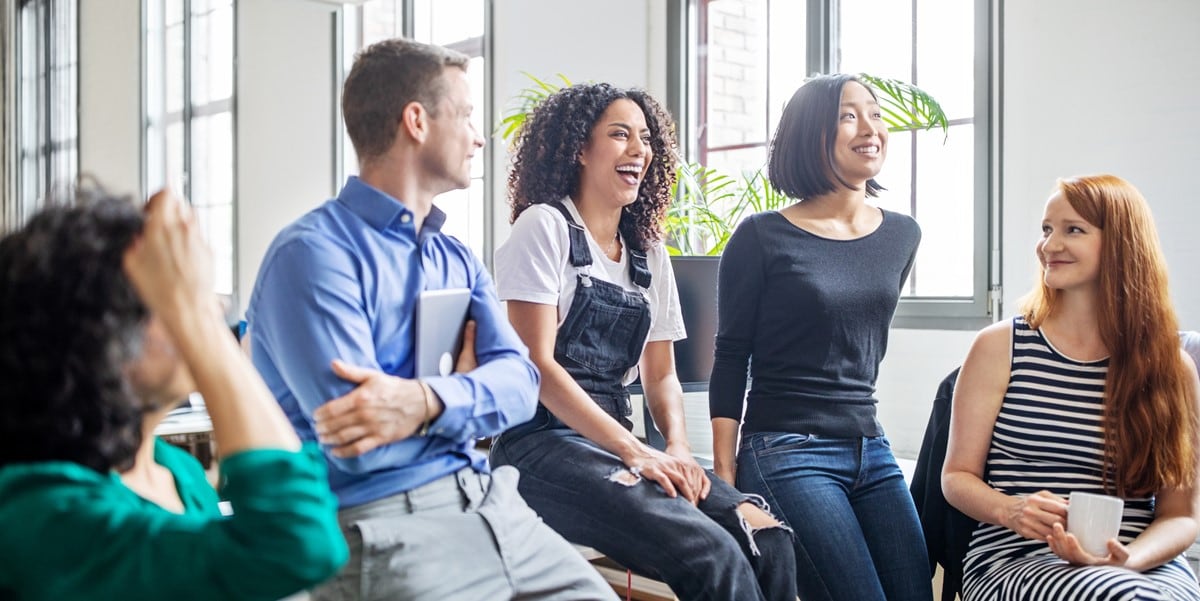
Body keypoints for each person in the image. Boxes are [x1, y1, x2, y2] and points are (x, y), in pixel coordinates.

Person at [246, 38, 614, 601]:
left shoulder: (456, 258)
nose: (478, 135)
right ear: (416, 121)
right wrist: (470, 392)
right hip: (390, 523)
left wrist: (426, 400)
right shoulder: (313, 255)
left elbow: (521, 387)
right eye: (465, 115)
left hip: (494, 508)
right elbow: (363, 439)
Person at [490, 82, 797, 601]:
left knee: (767, 537)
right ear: (579, 149)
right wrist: (635, 452)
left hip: (616, 443)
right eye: (619, 135)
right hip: (539, 447)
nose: (640, 150)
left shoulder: (648, 252)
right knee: (712, 551)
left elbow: (661, 375)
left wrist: (676, 447)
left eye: (646, 138)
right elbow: (537, 366)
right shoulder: (543, 227)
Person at [0, 188, 347, 600]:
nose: (213, 309)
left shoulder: (177, 471)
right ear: (99, 338)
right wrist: (195, 318)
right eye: (169, 298)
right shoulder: (42, 514)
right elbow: (299, 541)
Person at [708, 73, 932, 601]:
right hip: (785, 449)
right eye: (848, 116)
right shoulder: (761, 235)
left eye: (875, 114)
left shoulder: (903, 234)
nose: (870, 127)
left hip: (870, 448)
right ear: (812, 134)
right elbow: (730, 357)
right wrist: (725, 486)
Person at [943, 174, 1200, 599]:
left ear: (1122, 244)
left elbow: (1180, 516)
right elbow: (955, 476)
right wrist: (1011, 510)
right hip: (1018, 558)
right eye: (1047, 229)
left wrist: (1127, 560)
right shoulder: (1001, 346)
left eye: (1072, 230)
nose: (1049, 245)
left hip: (1142, 563)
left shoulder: (1172, 368)